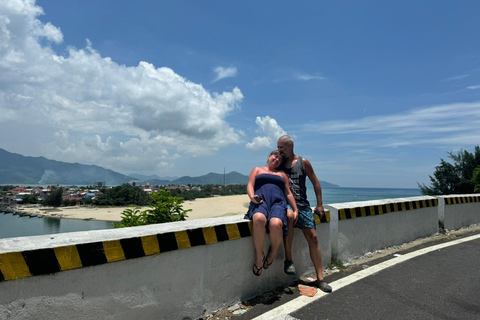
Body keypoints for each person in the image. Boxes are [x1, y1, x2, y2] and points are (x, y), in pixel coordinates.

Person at [277, 135, 332, 292]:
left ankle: (320, 279)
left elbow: (315, 182)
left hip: (303, 206)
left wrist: (320, 205)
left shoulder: (303, 162)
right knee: (288, 219)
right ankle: (288, 260)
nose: (279, 150)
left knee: (313, 238)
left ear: (290, 147)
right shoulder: (279, 163)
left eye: (281, 147)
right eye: (278, 147)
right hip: (286, 205)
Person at [245, 150, 298, 276]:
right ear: (269, 156)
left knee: (276, 224)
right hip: (261, 201)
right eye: (275, 156)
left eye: (280, 159)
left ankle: (273, 252)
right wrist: (252, 197)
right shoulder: (257, 169)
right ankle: (259, 255)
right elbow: (250, 184)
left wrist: (295, 209)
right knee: (258, 218)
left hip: (278, 203)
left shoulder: (282, 174)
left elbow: (288, 193)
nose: (277, 159)